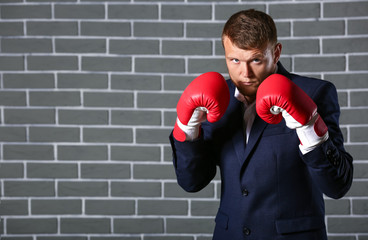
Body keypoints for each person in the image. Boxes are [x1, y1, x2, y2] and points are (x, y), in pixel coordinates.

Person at [169, 9, 353, 240]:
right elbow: (191, 182)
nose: (244, 73)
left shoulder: (314, 93)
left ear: (276, 53)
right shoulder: (215, 97)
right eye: (234, 60)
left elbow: (338, 186)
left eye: (256, 59)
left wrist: (310, 127)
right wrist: (187, 129)